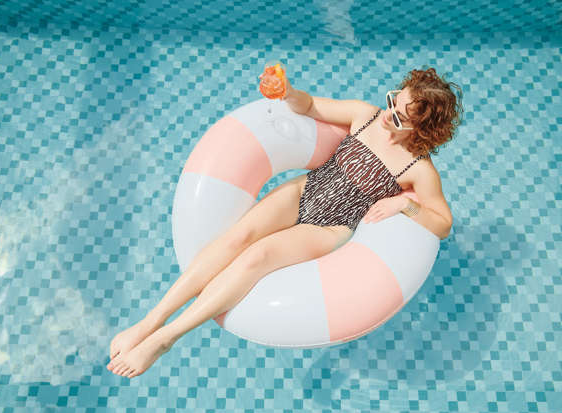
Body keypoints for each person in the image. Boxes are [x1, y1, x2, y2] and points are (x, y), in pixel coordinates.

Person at [106, 67, 464, 378]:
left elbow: (443, 223)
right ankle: (149, 322)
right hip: (304, 191)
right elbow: (310, 106)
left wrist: (405, 203)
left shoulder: (418, 169)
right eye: (392, 102)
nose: (389, 116)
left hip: (330, 227)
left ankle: (166, 339)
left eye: (401, 118)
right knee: (239, 236)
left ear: (424, 129)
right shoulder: (365, 115)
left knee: (255, 259)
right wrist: (287, 91)